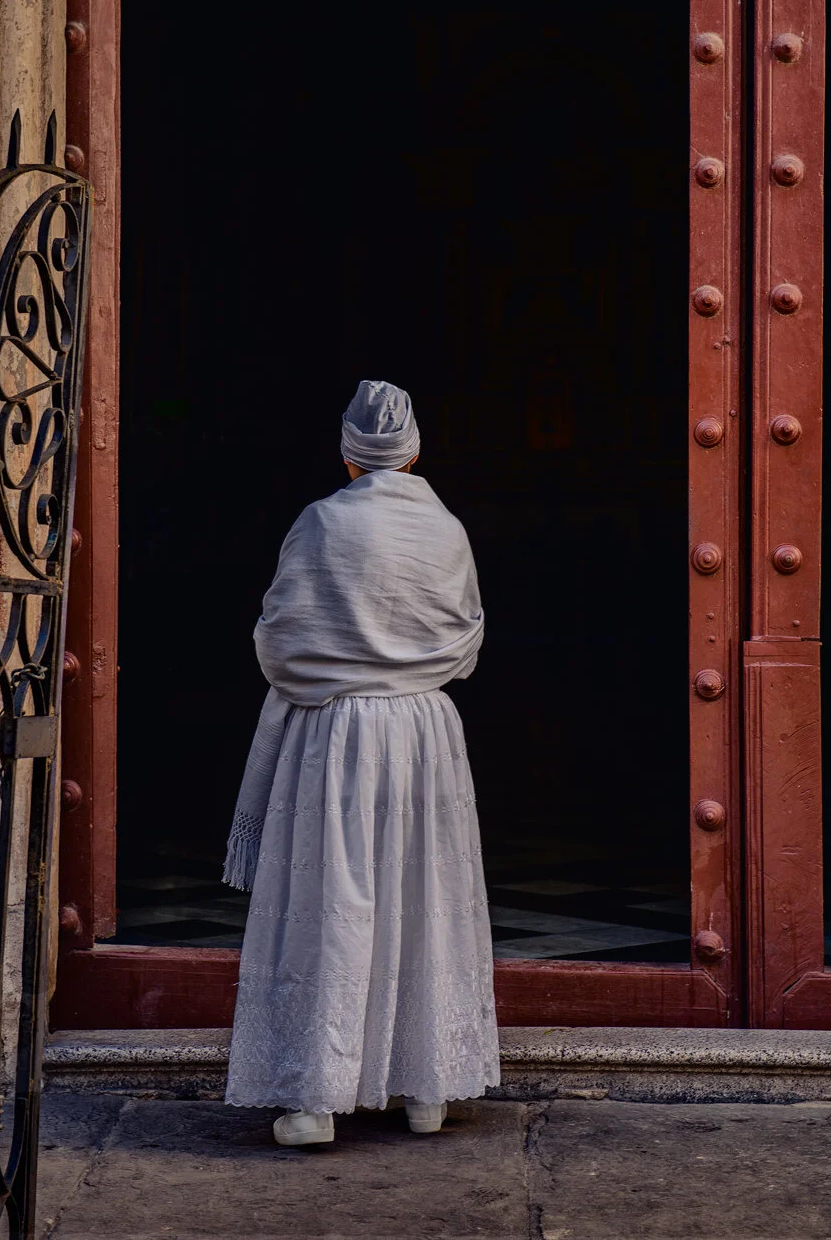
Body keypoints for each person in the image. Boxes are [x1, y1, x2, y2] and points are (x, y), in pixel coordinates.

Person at [222, 379, 499, 1146]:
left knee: (330, 899)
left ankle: (315, 1100)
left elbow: (279, 639)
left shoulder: (320, 523)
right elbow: (466, 641)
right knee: (423, 891)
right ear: (413, 454)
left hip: (334, 733)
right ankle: (426, 1092)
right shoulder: (446, 530)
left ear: (349, 458)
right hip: (424, 732)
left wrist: (335, 667)